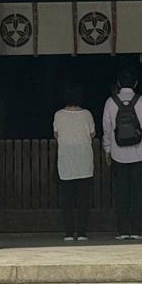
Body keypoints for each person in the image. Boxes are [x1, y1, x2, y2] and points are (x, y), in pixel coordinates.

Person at [100, 70, 142, 239]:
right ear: (135, 84)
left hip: (118, 154)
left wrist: (107, 150)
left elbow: (107, 129)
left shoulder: (111, 102)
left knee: (121, 192)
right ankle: (137, 230)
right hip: (140, 153)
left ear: (118, 84)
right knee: (137, 192)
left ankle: (123, 230)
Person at [51, 84, 96, 242]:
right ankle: (82, 232)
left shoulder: (58, 115)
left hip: (66, 160)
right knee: (84, 199)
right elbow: (92, 134)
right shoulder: (87, 115)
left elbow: (56, 134)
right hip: (84, 159)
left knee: (67, 200)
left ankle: (69, 232)